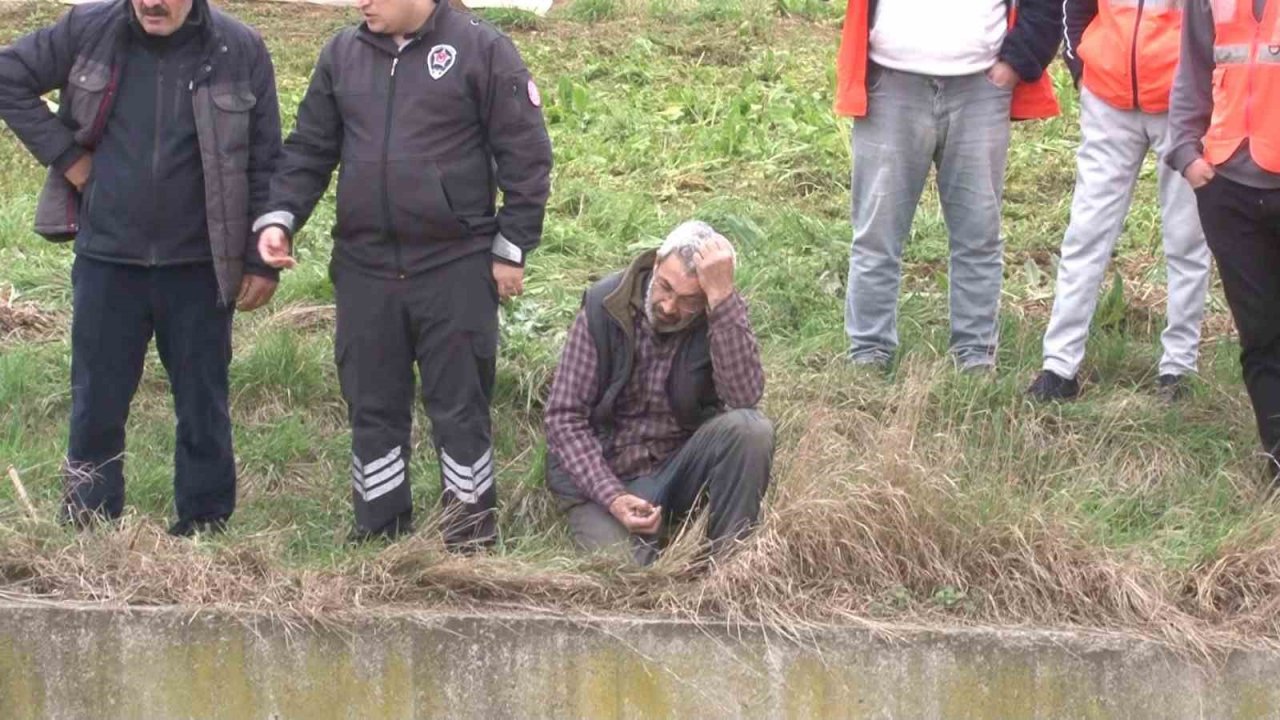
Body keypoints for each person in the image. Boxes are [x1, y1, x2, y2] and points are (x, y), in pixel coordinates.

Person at [254, 0, 552, 546]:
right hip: (364, 267)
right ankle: (380, 534)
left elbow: (527, 156)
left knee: (460, 408)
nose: (359, 3)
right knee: (373, 406)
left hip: (454, 265)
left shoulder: (483, 49)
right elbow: (309, 151)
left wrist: (511, 248)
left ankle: (469, 537)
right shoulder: (342, 53)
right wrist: (281, 219)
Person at [0, 0, 283, 535]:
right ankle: (89, 521)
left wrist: (258, 260)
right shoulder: (88, 29)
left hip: (199, 263)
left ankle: (204, 525)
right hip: (109, 258)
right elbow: (7, 75)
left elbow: (266, 159)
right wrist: (70, 160)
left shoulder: (238, 47)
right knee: (96, 400)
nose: (153, 2)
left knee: (203, 401)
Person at [834, 0, 1061, 371]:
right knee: (877, 234)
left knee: (979, 235)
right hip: (889, 85)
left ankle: (974, 356)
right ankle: (868, 355)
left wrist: (1018, 62)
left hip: (980, 88)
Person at [544, 221, 774, 565]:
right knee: (627, 572)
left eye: (688, 301)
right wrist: (613, 496)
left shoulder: (719, 312)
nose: (668, 306)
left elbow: (744, 399)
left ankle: (727, 568)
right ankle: (647, 539)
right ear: (656, 265)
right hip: (607, 474)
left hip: (676, 466)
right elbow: (564, 418)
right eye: (665, 287)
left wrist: (722, 302)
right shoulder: (604, 305)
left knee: (751, 431)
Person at [1028, 0, 1210, 402]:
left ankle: (1178, 370)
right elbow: (1073, 8)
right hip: (1107, 101)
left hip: (1184, 106)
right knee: (1085, 235)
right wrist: (1081, 72)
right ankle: (1058, 368)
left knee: (1186, 240)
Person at [1166, 0, 1280, 477]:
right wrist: (1187, 156)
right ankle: (1277, 456)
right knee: (1261, 335)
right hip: (1227, 187)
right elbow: (1192, 70)